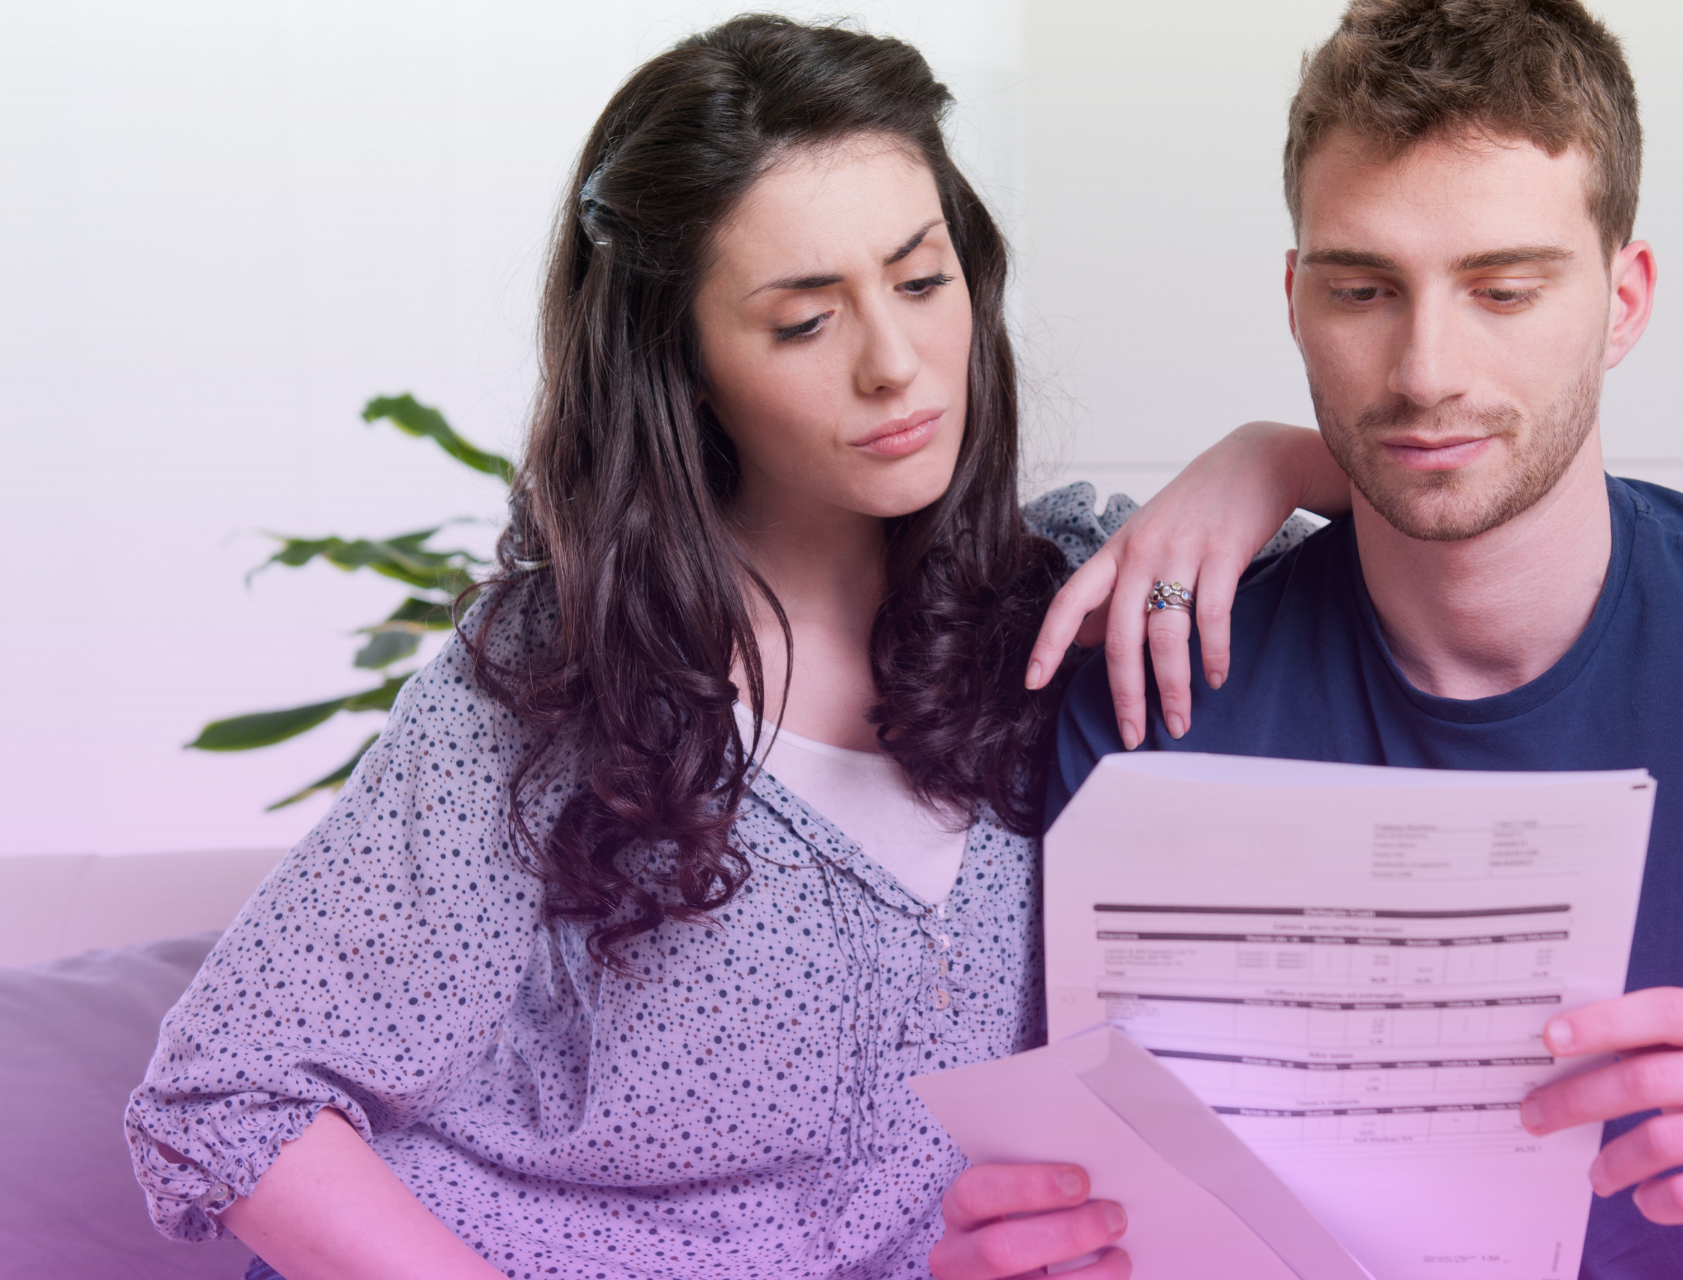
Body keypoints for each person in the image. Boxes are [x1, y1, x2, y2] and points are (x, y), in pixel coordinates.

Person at [125, 15, 1347, 1280]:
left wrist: (1273, 456)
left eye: (922, 283)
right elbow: (230, 1097)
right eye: (805, 321)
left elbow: (1473, 511)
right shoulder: (551, 678)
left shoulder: (1071, 598)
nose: (896, 364)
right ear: (684, 364)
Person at [1035, 1, 1683, 1278]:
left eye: (1504, 288)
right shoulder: (1155, 682)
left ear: (1624, 301)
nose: (1425, 368)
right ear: (1293, 301)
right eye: (1362, 289)